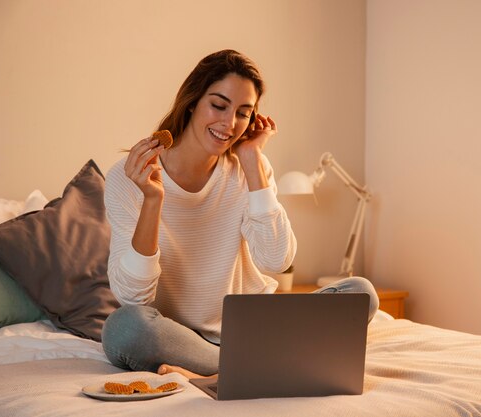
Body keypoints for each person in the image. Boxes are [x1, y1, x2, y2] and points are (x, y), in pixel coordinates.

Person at [101, 49, 379, 379]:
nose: (229, 124)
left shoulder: (249, 168)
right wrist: (152, 200)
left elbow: (275, 261)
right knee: (124, 329)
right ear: (192, 101)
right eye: (218, 105)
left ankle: (220, 373)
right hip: (180, 339)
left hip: (256, 329)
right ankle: (265, 367)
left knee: (361, 293)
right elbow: (134, 297)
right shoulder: (128, 177)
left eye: (244, 113)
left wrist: (251, 160)